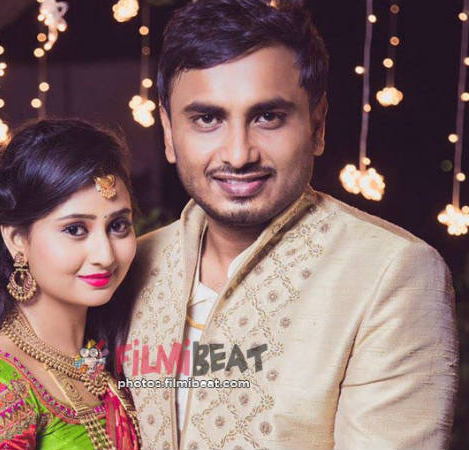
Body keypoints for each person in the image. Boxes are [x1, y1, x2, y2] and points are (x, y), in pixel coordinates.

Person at [122, 1, 458, 449]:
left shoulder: (391, 273)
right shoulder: (128, 265)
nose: (238, 154)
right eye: (207, 119)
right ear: (168, 132)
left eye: (268, 117)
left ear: (317, 126)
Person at [0, 119, 141, 450]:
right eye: (75, 229)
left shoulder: (104, 355)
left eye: (118, 225)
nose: (105, 255)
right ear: (17, 240)